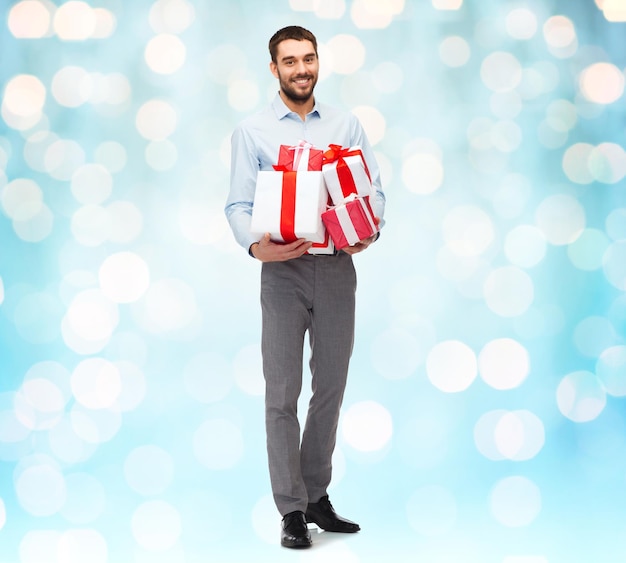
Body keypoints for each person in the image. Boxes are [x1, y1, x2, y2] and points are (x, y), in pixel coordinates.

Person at [225, 25, 385, 549]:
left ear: (319, 63)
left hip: (338, 265)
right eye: (290, 61)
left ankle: (316, 494)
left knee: (331, 388)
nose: (301, 69)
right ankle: (291, 509)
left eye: (309, 58)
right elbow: (238, 206)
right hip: (282, 272)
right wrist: (255, 248)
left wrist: (369, 230)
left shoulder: (347, 123)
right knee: (282, 392)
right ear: (274, 69)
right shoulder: (252, 132)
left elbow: (373, 190)